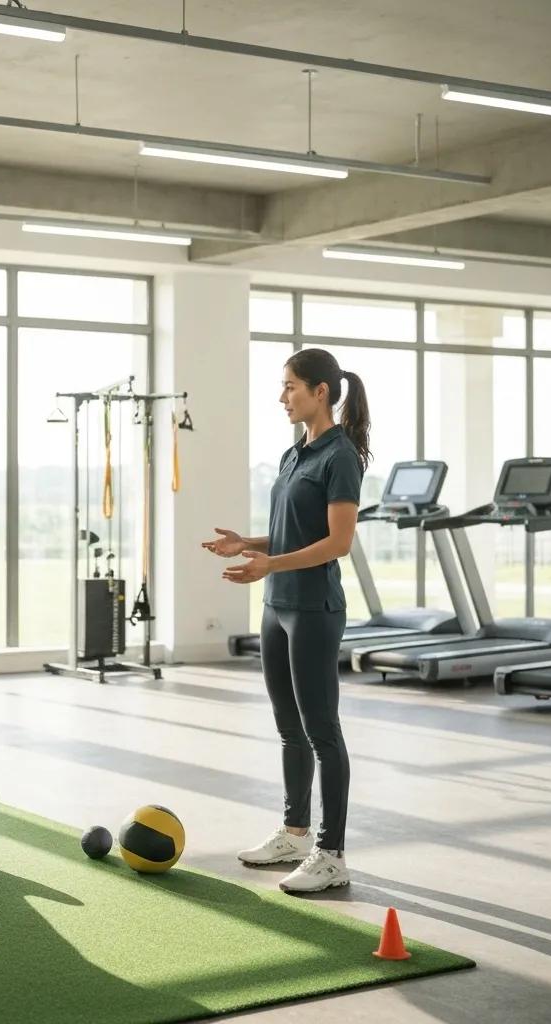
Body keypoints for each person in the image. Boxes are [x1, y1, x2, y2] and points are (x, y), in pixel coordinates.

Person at [202, 349, 369, 894]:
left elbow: (337, 542)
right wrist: (247, 544)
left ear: (321, 391)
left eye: (290, 387)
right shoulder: (292, 453)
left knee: (322, 731)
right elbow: (294, 533)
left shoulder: (340, 457)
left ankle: (331, 852)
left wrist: (269, 562)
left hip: (314, 609)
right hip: (276, 605)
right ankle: (295, 833)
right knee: (288, 728)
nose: (282, 397)